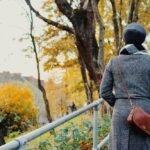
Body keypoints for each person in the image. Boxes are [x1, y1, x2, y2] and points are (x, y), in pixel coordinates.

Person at [100, 23, 150, 150]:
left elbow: (104, 91)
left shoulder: (114, 61)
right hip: (146, 111)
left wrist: (119, 104)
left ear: (125, 39)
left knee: (119, 145)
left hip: (120, 111)